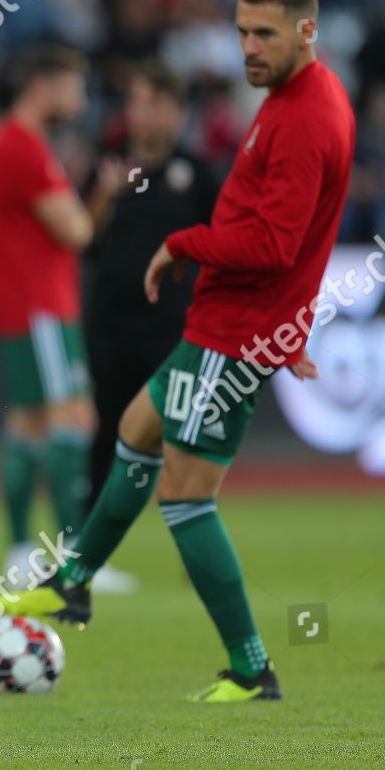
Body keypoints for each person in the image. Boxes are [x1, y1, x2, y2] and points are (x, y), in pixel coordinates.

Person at [6, 0, 355, 702]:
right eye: (241, 32)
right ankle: (74, 585)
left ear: (307, 31)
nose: (249, 48)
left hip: (233, 335)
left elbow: (276, 245)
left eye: (265, 33)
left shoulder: (303, 117)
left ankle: (252, 666)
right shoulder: (294, 98)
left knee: (187, 498)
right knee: (136, 427)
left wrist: (185, 243)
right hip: (236, 326)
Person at [0, 46, 131, 591]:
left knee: (28, 422)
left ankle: (23, 549)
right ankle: (73, 552)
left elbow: (73, 228)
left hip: (27, 305)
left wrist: (97, 198)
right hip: (42, 307)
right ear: (44, 86)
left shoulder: (14, 143)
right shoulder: (23, 147)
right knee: (73, 418)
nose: (82, 99)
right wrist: (102, 197)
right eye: (75, 86)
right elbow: (75, 232)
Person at [81, 63, 219, 547]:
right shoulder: (109, 166)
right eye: (138, 102)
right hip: (111, 327)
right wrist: (105, 195)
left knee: (183, 439)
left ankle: (194, 536)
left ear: (179, 113)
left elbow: (222, 246)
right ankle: (89, 541)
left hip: (173, 331)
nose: (144, 114)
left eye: (156, 103)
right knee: (106, 434)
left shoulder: (197, 175)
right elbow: (83, 241)